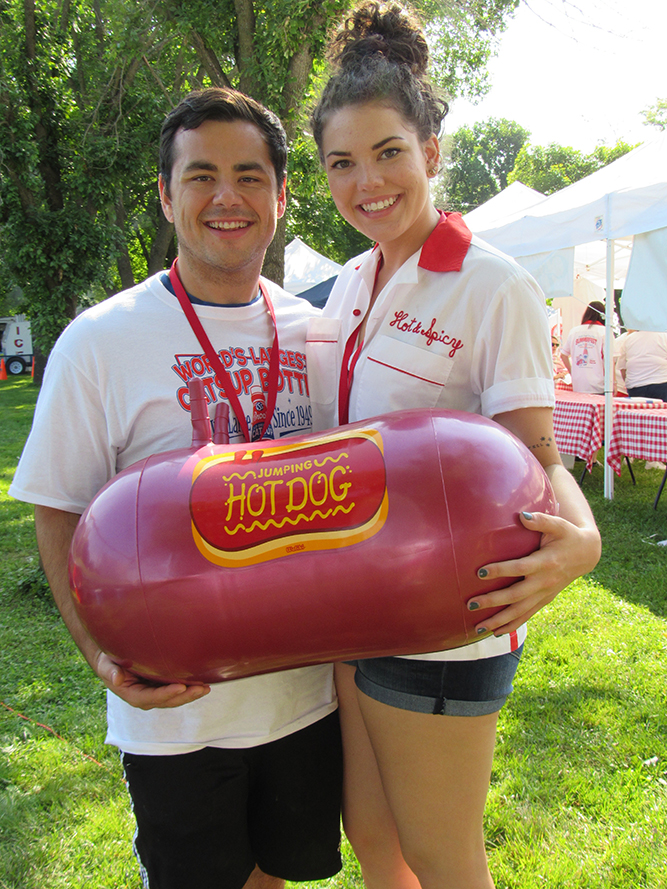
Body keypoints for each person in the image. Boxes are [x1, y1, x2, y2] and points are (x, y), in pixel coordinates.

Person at [9, 88, 343, 889]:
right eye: (200, 176)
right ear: (165, 195)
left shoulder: (319, 330)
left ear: (280, 195)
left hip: (307, 694)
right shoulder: (100, 338)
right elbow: (57, 508)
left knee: (280, 877)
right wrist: (97, 652)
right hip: (176, 714)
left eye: (249, 176)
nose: (226, 197)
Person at [305, 4, 601, 888]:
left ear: (431, 152)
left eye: (388, 152)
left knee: (440, 853)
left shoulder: (491, 286)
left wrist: (582, 541)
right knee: (371, 838)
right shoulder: (347, 282)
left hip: (443, 620)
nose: (367, 182)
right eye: (341, 163)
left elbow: (537, 455)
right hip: (350, 607)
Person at [560, 301, 610, 394]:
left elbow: (563, 355)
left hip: (578, 383)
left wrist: (572, 372)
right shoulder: (604, 332)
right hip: (599, 383)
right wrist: (613, 382)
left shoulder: (574, 331)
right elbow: (610, 360)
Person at [615, 328, 667, 401]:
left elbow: (622, 368)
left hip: (635, 386)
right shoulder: (664, 336)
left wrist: (628, 383)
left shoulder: (629, 339)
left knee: (638, 411)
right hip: (661, 383)